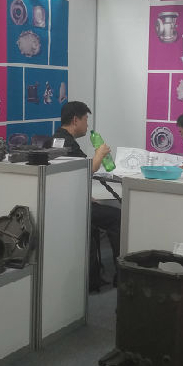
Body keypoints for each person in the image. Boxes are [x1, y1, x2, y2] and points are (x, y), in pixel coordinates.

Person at [46, 101, 120, 292]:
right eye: (85, 119)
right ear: (75, 120)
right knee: (117, 217)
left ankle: (94, 276)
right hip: (72, 208)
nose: (87, 125)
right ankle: (122, 275)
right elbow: (85, 171)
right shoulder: (69, 144)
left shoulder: (52, 140)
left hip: (58, 204)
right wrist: (100, 154)